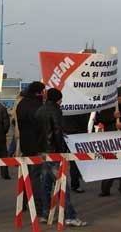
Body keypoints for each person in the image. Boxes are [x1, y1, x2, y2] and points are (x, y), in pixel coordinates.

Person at [35, 88, 87, 227]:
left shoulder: (40, 110)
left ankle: (45, 214)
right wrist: (61, 150)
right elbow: (57, 131)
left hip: (42, 151)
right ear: (57, 99)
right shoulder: (56, 110)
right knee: (63, 185)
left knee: (45, 184)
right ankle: (70, 216)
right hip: (54, 152)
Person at [16, 81, 45, 215]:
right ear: (38, 92)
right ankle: (37, 206)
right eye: (42, 91)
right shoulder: (36, 105)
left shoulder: (22, 103)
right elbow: (39, 123)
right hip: (36, 144)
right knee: (35, 177)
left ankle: (22, 202)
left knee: (26, 175)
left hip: (25, 143)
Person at [62, 113, 90, 193]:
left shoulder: (63, 106)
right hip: (76, 135)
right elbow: (84, 121)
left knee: (61, 162)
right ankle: (75, 184)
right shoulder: (80, 108)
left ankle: (61, 185)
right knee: (75, 162)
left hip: (65, 134)